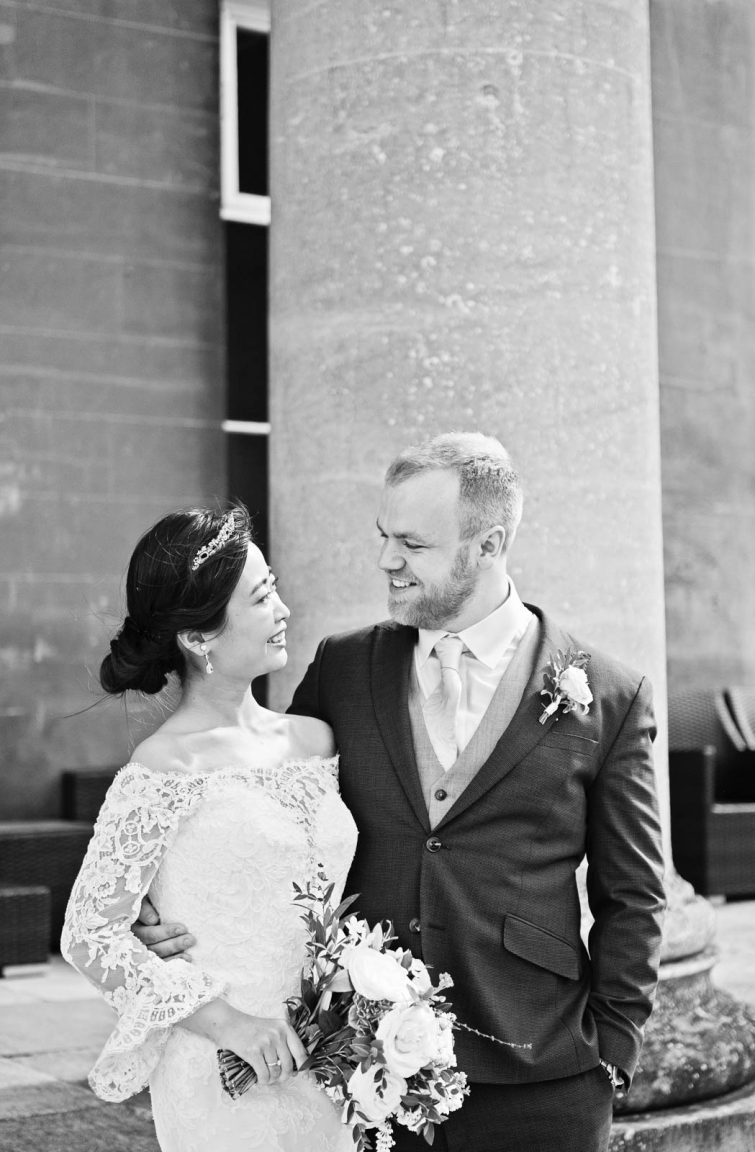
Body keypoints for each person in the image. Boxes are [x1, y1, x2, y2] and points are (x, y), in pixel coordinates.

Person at [135, 433, 667, 1152]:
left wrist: (613, 1052)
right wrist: (161, 895)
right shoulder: (345, 667)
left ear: (488, 544)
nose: (387, 559)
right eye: (384, 536)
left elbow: (634, 895)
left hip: (543, 1079)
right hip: (365, 1085)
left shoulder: (608, 693)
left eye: (412, 544)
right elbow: (261, 805)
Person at [61, 504, 358, 1152]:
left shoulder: (316, 740)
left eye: (273, 586)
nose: (282, 608)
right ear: (200, 638)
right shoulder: (163, 770)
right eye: (261, 597)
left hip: (336, 1068)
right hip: (226, 1074)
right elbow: (88, 934)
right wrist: (226, 1023)